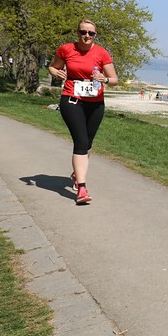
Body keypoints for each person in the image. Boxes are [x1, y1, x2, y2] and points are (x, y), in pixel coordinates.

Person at [47, 19, 118, 205]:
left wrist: (104, 79)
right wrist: (56, 73)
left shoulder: (102, 53)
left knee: (87, 143)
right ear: (77, 33)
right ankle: (82, 187)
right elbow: (53, 66)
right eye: (83, 32)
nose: (86, 36)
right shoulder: (67, 49)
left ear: (95, 35)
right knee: (80, 142)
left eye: (91, 33)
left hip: (95, 104)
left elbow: (114, 79)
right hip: (72, 100)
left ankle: (77, 172)